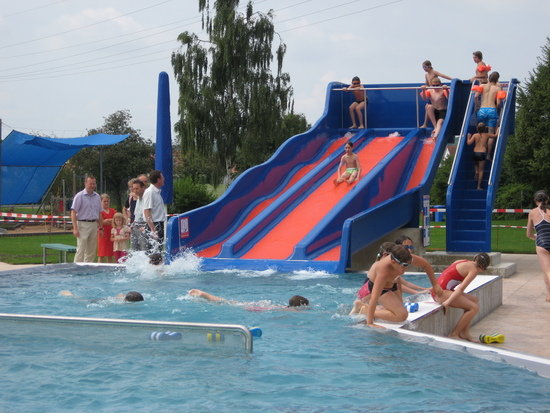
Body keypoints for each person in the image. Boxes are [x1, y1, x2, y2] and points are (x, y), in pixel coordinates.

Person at [431, 253, 490, 342]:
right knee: (474, 308)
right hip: (440, 294)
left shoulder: (461, 261)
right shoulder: (473, 270)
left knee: (475, 300)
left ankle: (465, 332)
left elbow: (445, 276)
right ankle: (454, 334)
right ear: (482, 266)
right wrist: (447, 302)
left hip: (437, 290)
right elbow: (460, 289)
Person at [70, 175, 104, 263]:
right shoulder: (79, 196)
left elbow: (100, 213)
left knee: (91, 250)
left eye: (94, 184)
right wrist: (75, 228)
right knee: (81, 249)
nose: (92, 186)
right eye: (90, 184)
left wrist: (101, 227)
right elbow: (73, 212)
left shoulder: (97, 197)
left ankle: (88, 268)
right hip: (82, 224)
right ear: (85, 183)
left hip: (93, 224)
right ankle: (76, 268)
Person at [473, 72, 505, 160]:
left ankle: (478, 150)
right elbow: (498, 103)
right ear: (497, 80)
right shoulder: (497, 88)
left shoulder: (482, 86)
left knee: (480, 132)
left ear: (489, 78)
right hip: (491, 110)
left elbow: (475, 97)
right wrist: (497, 110)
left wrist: (477, 106)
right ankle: (488, 155)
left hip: (482, 110)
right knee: (491, 134)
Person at [526, 190, 550, 302]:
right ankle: (549, 294)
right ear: (547, 200)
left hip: (542, 243)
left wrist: (536, 237)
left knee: (547, 271)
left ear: (535, 200)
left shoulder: (533, 212)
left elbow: (528, 234)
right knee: (547, 271)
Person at [189, 289, 310, 310]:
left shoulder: (287, 307)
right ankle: (202, 298)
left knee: (226, 302)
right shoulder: (294, 310)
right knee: (225, 303)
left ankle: (203, 297)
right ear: (302, 305)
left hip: (258, 305)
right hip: (257, 308)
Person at [420, 60, 453, 128]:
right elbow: (427, 84)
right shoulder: (426, 75)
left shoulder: (434, 72)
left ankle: (427, 124)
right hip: (432, 92)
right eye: (423, 67)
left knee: (428, 106)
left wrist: (452, 79)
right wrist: (425, 88)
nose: (424, 69)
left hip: (437, 92)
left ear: (429, 66)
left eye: (425, 67)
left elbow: (443, 76)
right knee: (427, 107)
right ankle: (425, 123)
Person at [467, 122, 498, 190]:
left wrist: (468, 137)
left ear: (477, 129)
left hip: (475, 153)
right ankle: (478, 186)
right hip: (482, 153)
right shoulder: (486, 135)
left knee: (476, 164)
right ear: (485, 129)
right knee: (481, 170)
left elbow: (469, 143)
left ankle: (476, 171)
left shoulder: (475, 135)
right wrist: (497, 130)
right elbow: (495, 136)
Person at [142, 170, 166, 253]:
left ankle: (157, 264)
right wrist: (152, 229)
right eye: (162, 177)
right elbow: (147, 211)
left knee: (158, 249)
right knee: (153, 250)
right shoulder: (150, 192)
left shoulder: (157, 192)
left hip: (159, 223)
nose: (164, 179)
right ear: (158, 179)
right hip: (154, 224)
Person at [97, 194, 116, 263]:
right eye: (104, 201)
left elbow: (116, 219)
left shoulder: (112, 210)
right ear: (101, 202)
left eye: (107, 201)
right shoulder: (100, 211)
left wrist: (107, 220)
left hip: (111, 233)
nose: (106, 203)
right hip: (103, 232)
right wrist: (107, 221)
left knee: (110, 253)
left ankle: (110, 267)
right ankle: (99, 266)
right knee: (101, 252)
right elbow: (100, 222)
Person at [130, 179, 148, 251]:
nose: (135, 191)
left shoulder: (146, 198)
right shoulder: (138, 198)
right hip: (135, 225)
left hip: (143, 225)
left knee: (144, 249)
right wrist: (132, 224)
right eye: (134, 189)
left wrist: (145, 226)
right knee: (134, 249)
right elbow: (137, 215)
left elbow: (150, 214)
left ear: (142, 188)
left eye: (137, 189)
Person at [61, 290, 144, 302]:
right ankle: (71, 295)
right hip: (105, 300)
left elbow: (121, 294)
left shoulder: (122, 297)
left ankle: (71, 295)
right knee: (85, 301)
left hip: (110, 299)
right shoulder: (120, 300)